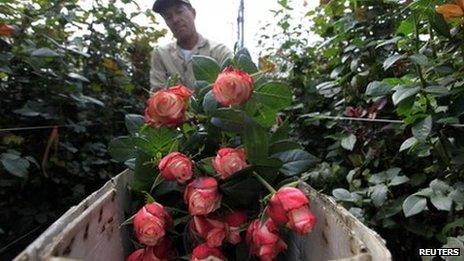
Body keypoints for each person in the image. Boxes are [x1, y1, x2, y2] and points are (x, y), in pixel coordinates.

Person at [150, 0, 233, 91]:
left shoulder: (220, 53)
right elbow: (157, 95)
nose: (175, 19)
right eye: (168, 17)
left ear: (193, 13)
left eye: (179, 11)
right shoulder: (161, 55)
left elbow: (233, 91)